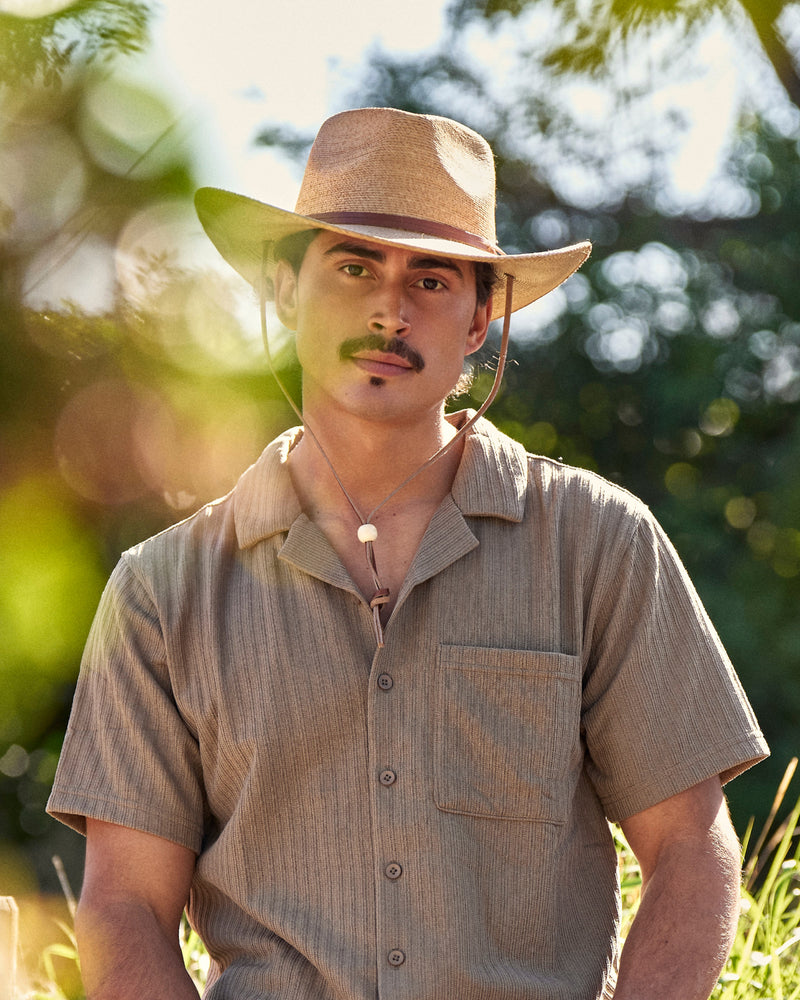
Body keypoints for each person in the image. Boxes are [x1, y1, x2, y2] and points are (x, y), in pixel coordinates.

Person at [47, 107, 768, 1000]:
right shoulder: (162, 593)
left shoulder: (598, 544)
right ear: (283, 289)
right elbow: (125, 909)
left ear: (479, 320)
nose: (391, 308)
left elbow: (692, 851)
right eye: (354, 267)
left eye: (431, 280)